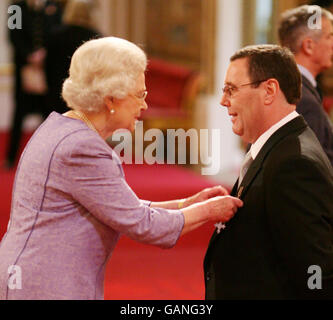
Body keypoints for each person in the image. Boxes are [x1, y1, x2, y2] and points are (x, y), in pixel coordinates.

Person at [0, 37, 243, 300]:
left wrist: (187, 203)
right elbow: (142, 224)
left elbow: (124, 207)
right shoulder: (82, 148)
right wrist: (210, 210)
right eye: (140, 94)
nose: (145, 105)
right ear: (111, 98)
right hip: (45, 284)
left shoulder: (63, 128)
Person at [204, 44, 333, 299]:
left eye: (231, 89)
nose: (223, 101)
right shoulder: (273, 147)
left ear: (269, 90)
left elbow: (316, 276)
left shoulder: (294, 164)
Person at [5, 0, 62, 169]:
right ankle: (11, 158)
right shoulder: (16, 8)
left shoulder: (54, 7)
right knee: (19, 116)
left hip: (47, 72)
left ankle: (50, 158)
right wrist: (29, 55)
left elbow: (58, 32)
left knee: (49, 117)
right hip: (25, 72)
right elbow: (12, 35)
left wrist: (45, 54)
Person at [278, 5, 333, 165]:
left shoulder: (282, 86)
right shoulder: (302, 99)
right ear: (308, 46)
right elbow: (312, 168)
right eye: (329, 36)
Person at [45, 0, 101, 114]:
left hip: (57, 91)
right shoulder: (95, 37)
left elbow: (48, 66)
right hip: (85, 94)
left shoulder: (55, 34)